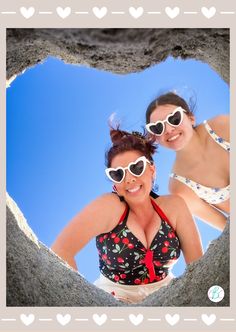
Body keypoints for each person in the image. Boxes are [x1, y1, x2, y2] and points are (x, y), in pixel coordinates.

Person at [51, 128, 203, 304]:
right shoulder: (108, 207)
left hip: (166, 295)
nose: (129, 178)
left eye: (137, 167)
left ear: (152, 170)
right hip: (112, 299)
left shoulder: (174, 207)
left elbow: (199, 267)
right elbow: (61, 250)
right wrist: (83, 301)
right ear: (114, 183)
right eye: (118, 174)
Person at [145, 92, 229, 231]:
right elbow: (226, 228)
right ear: (155, 137)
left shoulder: (222, 126)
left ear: (191, 118)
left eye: (174, 118)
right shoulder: (180, 187)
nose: (169, 129)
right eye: (158, 128)